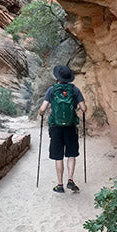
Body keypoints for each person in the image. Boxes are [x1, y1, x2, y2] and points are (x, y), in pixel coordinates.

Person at [38, 65, 87, 193]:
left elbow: (43, 109)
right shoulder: (75, 90)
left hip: (56, 127)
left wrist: (41, 113)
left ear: (57, 77)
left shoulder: (52, 90)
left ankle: (60, 185)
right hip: (70, 126)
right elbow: (84, 108)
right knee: (71, 154)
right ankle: (70, 180)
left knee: (58, 156)